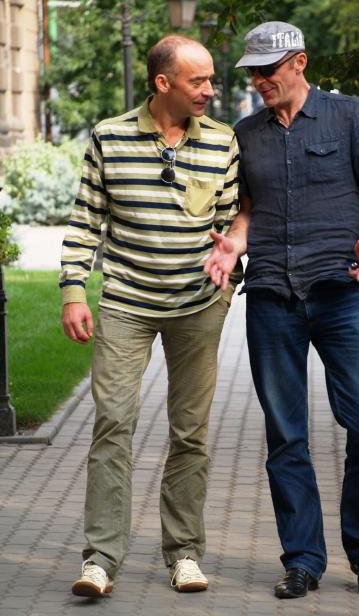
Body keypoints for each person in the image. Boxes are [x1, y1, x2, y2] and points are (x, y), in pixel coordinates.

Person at [204, 21, 359, 599]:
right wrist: (235, 244)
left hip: (340, 293)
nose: (260, 80)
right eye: (253, 72)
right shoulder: (246, 134)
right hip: (271, 297)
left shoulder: (350, 116)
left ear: (300, 62)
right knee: (286, 436)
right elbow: (247, 211)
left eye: (268, 70)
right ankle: (303, 559)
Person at [60, 35, 241, 598]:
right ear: (163, 83)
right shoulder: (109, 137)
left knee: (190, 433)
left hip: (198, 306)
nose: (210, 90)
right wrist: (72, 291)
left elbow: (233, 221)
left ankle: (184, 553)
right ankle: (100, 559)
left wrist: (228, 269)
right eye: (198, 80)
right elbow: (86, 220)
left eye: (210, 79)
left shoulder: (222, 140)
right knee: (113, 423)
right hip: (126, 304)